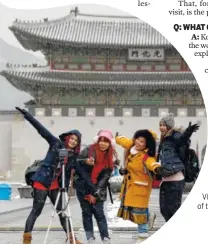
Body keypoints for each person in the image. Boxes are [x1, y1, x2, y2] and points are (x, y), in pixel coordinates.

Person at [15, 107, 83, 244]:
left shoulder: (73, 156)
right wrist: (27, 115)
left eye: (76, 140)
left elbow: (75, 171)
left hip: (55, 185)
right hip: (42, 181)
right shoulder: (55, 143)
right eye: (72, 138)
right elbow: (41, 129)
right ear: (68, 137)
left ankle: (72, 239)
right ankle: (26, 239)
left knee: (62, 212)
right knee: (36, 210)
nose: (74, 141)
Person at [115, 130, 164, 243]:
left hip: (140, 188)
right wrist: (117, 138)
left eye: (142, 141)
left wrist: (157, 168)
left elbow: (152, 163)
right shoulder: (132, 148)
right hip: (130, 187)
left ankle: (143, 236)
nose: (138, 142)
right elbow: (124, 141)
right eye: (137, 139)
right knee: (135, 212)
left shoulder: (146, 157)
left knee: (139, 213)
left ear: (146, 144)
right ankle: (148, 216)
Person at [73, 130, 115, 244]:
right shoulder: (89, 150)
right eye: (101, 140)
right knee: (86, 213)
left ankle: (105, 237)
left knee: (99, 212)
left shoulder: (110, 156)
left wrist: (95, 192)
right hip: (83, 186)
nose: (103, 143)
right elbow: (75, 162)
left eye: (106, 141)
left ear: (110, 144)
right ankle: (89, 237)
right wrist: (85, 161)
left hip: (98, 188)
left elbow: (105, 177)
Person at [158, 113, 199, 222]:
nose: (161, 127)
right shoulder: (164, 140)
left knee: (174, 211)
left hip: (176, 179)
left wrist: (188, 132)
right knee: (164, 210)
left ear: (169, 127)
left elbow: (182, 139)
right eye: (160, 125)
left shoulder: (174, 136)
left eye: (164, 125)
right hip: (165, 179)